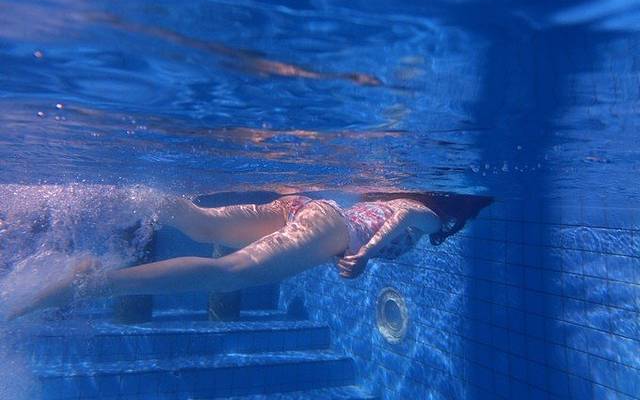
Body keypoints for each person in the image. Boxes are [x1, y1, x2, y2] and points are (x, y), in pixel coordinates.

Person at [6, 191, 490, 320]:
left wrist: (358, 249)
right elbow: (403, 217)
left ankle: (122, 195)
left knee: (200, 222)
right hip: (334, 227)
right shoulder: (433, 215)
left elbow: (388, 213)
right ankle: (97, 282)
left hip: (312, 211)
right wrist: (364, 252)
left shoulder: (391, 196)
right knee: (228, 273)